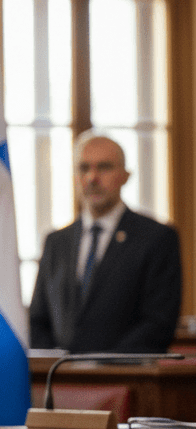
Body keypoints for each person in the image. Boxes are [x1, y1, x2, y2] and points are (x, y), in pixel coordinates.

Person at [29, 131, 182, 353]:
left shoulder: (157, 238)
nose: (92, 178)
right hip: (61, 379)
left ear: (125, 176)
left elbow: (158, 322)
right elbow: (38, 320)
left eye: (104, 167)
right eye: (84, 168)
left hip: (126, 378)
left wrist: (101, 364)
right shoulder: (56, 242)